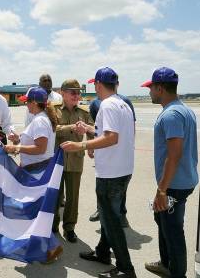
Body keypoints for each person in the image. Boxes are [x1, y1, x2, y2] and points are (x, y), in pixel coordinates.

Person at [61, 67, 136, 278]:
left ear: (98, 85)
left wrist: (81, 146)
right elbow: (110, 133)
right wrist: (89, 129)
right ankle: (103, 252)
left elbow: (111, 137)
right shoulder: (123, 103)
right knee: (107, 216)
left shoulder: (108, 105)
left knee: (111, 220)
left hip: (111, 173)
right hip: (123, 169)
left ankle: (125, 268)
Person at [141, 67, 198, 278]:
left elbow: (173, 155)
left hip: (174, 184)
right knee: (161, 219)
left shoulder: (172, 115)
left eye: (151, 88)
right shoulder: (183, 109)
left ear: (160, 88)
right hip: (182, 179)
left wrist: (162, 190)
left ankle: (177, 273)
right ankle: (166, 263)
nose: (149, 92)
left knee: (173, 232)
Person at [4, 86, 62, 264]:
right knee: (33, 210)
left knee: (32, 210)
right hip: (36, 169)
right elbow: (36, 141)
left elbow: (41, 148)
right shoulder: (41, 119)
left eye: (27, 102)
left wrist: (17, 147)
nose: (26, 105)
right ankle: (43, 244)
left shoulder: (40, 121)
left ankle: (51, 245)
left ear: (35, 103)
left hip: (38, 171)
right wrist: (19, 139)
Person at [52, 79, 94, 243]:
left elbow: (93, 129)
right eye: (72, 92)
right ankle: (53, 225)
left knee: (73, 197)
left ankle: (69, 228)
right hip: (57, 159)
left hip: (76, 159)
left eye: (78, 92)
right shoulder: (53, 109)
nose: (76, 95)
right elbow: (51, 129)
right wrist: (70, 127)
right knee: (55, 194)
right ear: (62, 92)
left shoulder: (84, 111)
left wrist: (90, 144)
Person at [88, 94, 136, 227]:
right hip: (105, 157)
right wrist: (92, 143)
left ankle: (121, 214)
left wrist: (84, 145)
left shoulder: (122, 101)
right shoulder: (95, 104)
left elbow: (130, 128)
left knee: (116, 193)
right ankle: (102, 213)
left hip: (115, 160)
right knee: (107, 195)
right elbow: (98, 129)